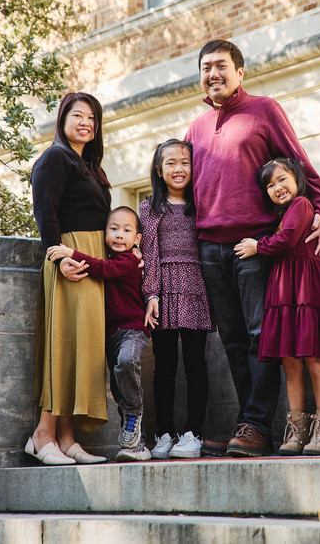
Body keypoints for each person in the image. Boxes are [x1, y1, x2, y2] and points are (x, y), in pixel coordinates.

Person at [185, 39, 320, 457]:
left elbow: (300, 169)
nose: (213, 74)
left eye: (221, 66)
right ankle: (248, 422)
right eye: (205, 68)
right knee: (232, 340)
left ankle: (257, 425)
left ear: (240, 71)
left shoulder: (264, 110)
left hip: (255, 247)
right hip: (210, 249)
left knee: (259, 338)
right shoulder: (196, 127)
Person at [26, 91, 110, 465]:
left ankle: (66, 436)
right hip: (69, 258)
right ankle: (42, 435)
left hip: (92, 260)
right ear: (62, 119)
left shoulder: (89, 165)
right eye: (78, 115)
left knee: (83, 348)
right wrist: (58, 258)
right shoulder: (54, 159)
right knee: (63, 346)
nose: (86, 123)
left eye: (92, 118)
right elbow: (45, 212)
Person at [234, 157, 320, 455]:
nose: (277, 187)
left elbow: (287, 239)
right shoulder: (281, 213)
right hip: (282, 288)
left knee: (313, 359)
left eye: (282, 179)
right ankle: (298, 431)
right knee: (290, 362)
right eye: (270, 184)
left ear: (297, 180)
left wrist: (257, 246)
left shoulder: (303, 205)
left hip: (304, 287)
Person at [48, 206, 153, 462]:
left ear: (137, 238)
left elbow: (104, 270)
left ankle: (134, 412)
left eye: (127, 231)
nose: (119, 235)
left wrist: (70, 252)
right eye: (113, 229)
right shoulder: (107, 255)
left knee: (127, 363)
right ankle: (136, 444)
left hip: (133, 329)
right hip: (110, 334)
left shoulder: (130, 260)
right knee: (118, 384)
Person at [140, 139, 215, 459]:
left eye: (184, 162)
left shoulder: (203, 204)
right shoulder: (148, 209)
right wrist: (151, 293)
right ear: (159, 170)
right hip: (162, 289)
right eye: (170, 163)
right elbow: (146, 254)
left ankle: (193, 433)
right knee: (164, 366)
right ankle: (164, 433)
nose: (178, 168)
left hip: (196, 285)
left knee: (197, 364)